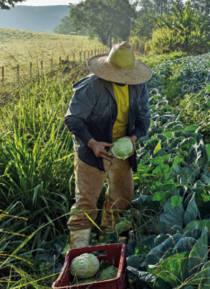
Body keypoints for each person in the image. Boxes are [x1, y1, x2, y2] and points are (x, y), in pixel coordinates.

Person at [64, 41, 152, 249]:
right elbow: (73, 119)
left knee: (122, 197)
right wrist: (93, 143)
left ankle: (108, 237)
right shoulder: (91, 86)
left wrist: (133, 139)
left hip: (121, 149)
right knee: (86, 201)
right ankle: (78, 252)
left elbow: (143, 120)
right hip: (91, 148)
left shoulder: (139, 87)